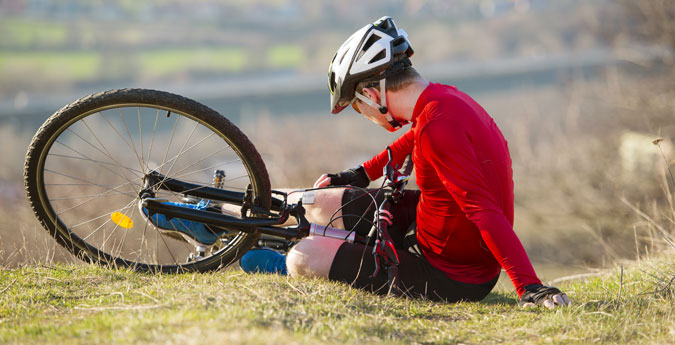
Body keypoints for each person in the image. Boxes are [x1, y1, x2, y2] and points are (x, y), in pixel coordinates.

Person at [240, 16, 570, 308]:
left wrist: (530, 287)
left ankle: (284, 261)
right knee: (313, 201)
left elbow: (483, 211)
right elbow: (412, 140)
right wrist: (360, 174)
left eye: (358, 108)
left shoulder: (439, 128)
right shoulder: (441, 100)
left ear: (371, 95)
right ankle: (214, 214)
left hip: (452, 274)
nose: (364, 116)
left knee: (304, 257)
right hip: (427, 224)